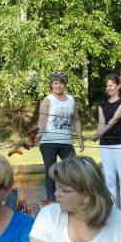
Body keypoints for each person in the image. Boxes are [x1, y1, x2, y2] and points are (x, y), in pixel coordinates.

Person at [36, 71, 84, 202]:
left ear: (65, 84)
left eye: (61, 83)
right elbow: (41, 122)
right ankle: (51, 202)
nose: (58, 86)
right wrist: (38, 136)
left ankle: (72, 199)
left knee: (74, 169)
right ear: (51, 84)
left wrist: (80, 138)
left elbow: (76, 120)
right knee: (51, 172)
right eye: (55, 83)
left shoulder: (71, 100)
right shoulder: (48, 100)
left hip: (66, 143)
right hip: (48, 143)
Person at [92, 73, 121, 210]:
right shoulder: (102, 104)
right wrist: (97, 134)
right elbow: (101, 122)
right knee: (109, 179)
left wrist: (100, 133)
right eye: (107, 86)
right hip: (105, 144)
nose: (108, 88)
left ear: (118, 85)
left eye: (111, 85)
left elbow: (114, 119)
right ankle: (113, 209)